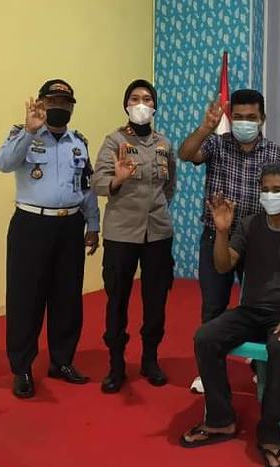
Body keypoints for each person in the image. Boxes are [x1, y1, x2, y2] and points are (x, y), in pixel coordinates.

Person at [180, 162, 280, 467]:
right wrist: (222, 232)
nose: (269, 196)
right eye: (265, 190)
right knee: (205, 337)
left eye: (277, 190)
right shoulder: (249, 225)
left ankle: (269, 434)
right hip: (251, 311)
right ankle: (220, 419)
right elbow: (223, 265)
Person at [0, 79, 100, 399]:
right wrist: (29, 131)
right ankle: (22, 368)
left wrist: (93, 224)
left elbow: (86, 187)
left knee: (67, 298)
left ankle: (62, 361)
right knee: (25, 299)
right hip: (31, 225)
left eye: (66, 103)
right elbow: (3, 163)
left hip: (70, 226)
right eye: (53, 101)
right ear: (41, 104)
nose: (60, 107)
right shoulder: (23, 135)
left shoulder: (78, 143)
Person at [178, 89, 280, 393]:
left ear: (262, 118)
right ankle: (209, 372)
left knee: (260, 307)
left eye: (251, 117)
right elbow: (186, 154)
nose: (244, 123)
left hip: (258, 241)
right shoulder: (217, 143)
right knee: (213, 306)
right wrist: (205, 128)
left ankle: (259, 366)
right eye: (238, 117)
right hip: (217, 237)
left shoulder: (273, 153)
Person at [92, 79, 176, 394]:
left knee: (156, 299)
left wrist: (157, 209)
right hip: (121, 232)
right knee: (117, 298)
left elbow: (170, 186)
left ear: (155, 107)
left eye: (147, 99)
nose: (141, 104)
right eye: (135, 98)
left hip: (157, 232)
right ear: (126, 105)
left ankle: (150, 360)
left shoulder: (164, 143)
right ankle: (116, 364)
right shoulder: (114, 141)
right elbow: (98, 182)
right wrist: (117, 179)